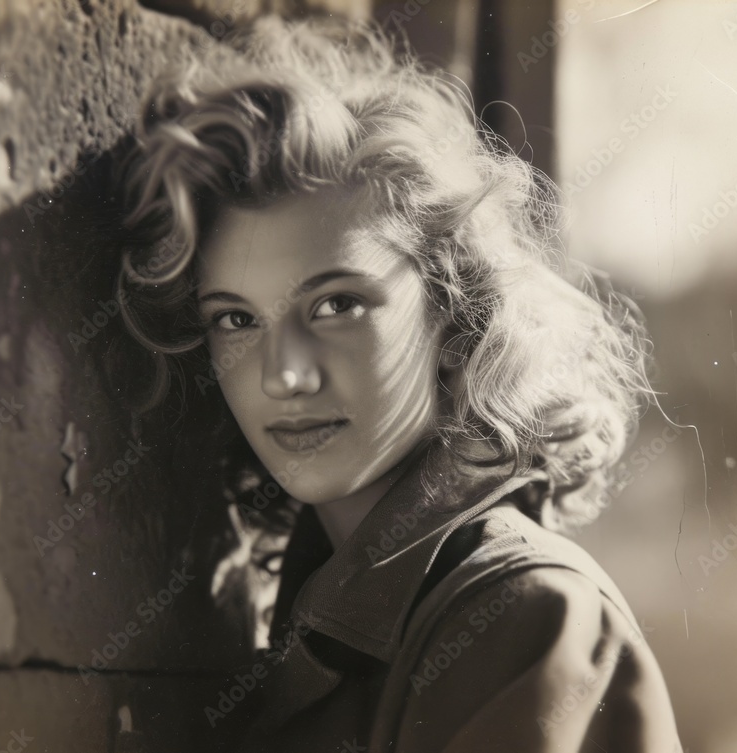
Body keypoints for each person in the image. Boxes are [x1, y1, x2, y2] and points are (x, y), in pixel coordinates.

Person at [116, 15, 683, 753]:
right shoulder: (329, 619)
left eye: (336, 305)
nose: (284, 373)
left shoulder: (522, 616)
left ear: (454, 314)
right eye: (236, 319)